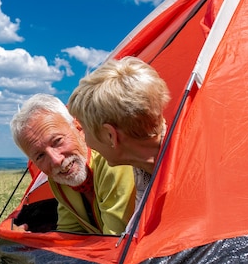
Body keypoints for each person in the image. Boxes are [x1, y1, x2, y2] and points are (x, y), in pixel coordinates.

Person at [10, 93, 136, 235]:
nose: (56, 160)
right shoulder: (60, 180)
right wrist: (29, 242)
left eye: (57, 141)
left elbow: (114, 242)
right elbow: (69, 234)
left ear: (78, 127)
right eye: (40, 156)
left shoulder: (112, 163)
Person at [67, 56, 171, 205]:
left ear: (110, 135)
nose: (85, 140)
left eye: (84, 129)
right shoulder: (146, 169)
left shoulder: (184, 181)